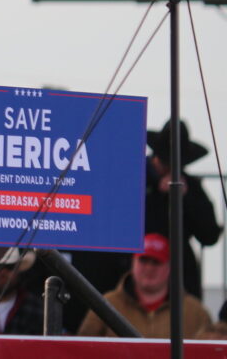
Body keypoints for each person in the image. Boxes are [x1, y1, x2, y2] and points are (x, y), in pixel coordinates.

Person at [77, 233, 211, 338]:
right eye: (143, 260)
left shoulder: (196, 312)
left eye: (156, 262)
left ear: (170, 267)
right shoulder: (106, 304)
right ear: (133, 262)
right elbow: (82, 350)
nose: (149, 268)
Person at [144, 119, 220, 299]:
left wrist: (186, 198)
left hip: (180, 274)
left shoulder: (191, 186)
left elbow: (209, 235)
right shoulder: (136, 180)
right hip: (142, 267)